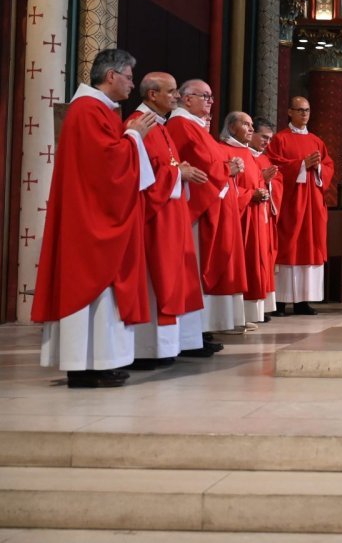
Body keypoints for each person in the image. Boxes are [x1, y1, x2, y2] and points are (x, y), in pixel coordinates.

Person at [32, 49, 157, 388]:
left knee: (104, 293)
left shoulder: (97, 109)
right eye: (129, 77)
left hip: (94, 212)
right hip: (89, 219)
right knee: (91, 285)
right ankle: (82, 366)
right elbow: (106, 165)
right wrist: (134, 136)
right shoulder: (88, 110)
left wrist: (129, 135)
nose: (133, 84)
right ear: (111, 75)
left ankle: (97, 363)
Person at [127, 73, 206, 370]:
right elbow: (137, 174)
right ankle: (147, 349)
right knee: (155, 280)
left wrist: (178, 170)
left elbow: (163, 166)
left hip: (170, 216)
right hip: (154, 218)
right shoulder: (139, 124)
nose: (175, 97)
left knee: (172, 279)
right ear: (152, 95)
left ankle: (164, 347)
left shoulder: (159, 125)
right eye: (171, 92)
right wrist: (177, 175)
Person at [167, 80, 247, 340]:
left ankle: (204, 329)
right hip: (200, 210)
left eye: (211, 97)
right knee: (198, 269)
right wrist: (227, 169)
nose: (211, 101)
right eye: (205, 96)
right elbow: (193, 166)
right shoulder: (180, 125)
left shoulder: (194, 126)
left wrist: (228, 164)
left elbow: (212, 159)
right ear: (187, 99)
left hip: (216, 204)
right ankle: (195, 331)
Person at [266, 96, 334, 315]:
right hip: (291, 203)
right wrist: (301, 165)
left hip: (312, 204)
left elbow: (328, 165)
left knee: (310, 247)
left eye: (307, 110)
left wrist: (319, 168)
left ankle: (303, 301)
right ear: (289, 112)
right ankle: (279, 302)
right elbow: (273, 166)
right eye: (300, 110)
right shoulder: (280, 139)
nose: (304, 114)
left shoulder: (316, 141)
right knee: (288, 247)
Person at [220, 111, 274, 327]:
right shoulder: (224, 150)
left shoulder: (247, 153)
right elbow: (224, 185)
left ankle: (247, 314)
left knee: (254, 262)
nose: (251, 129)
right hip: (238, 218)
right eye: (246, 124)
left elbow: (255, 181)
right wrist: (250, 195)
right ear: (232, 127)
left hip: (253, 216)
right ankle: (235, 316)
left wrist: (263, 187)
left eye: (252, 125)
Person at [249, 118, 281, 318]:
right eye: (263, 137)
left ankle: (263, 307)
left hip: (264, 215)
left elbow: (278, 183)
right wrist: (262, 179)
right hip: (251, 214)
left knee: (265, 259)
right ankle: (253, 306)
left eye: (270, 139)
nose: (266, 143)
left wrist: (269, 182)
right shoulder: (245, 155)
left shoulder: (265, 158)